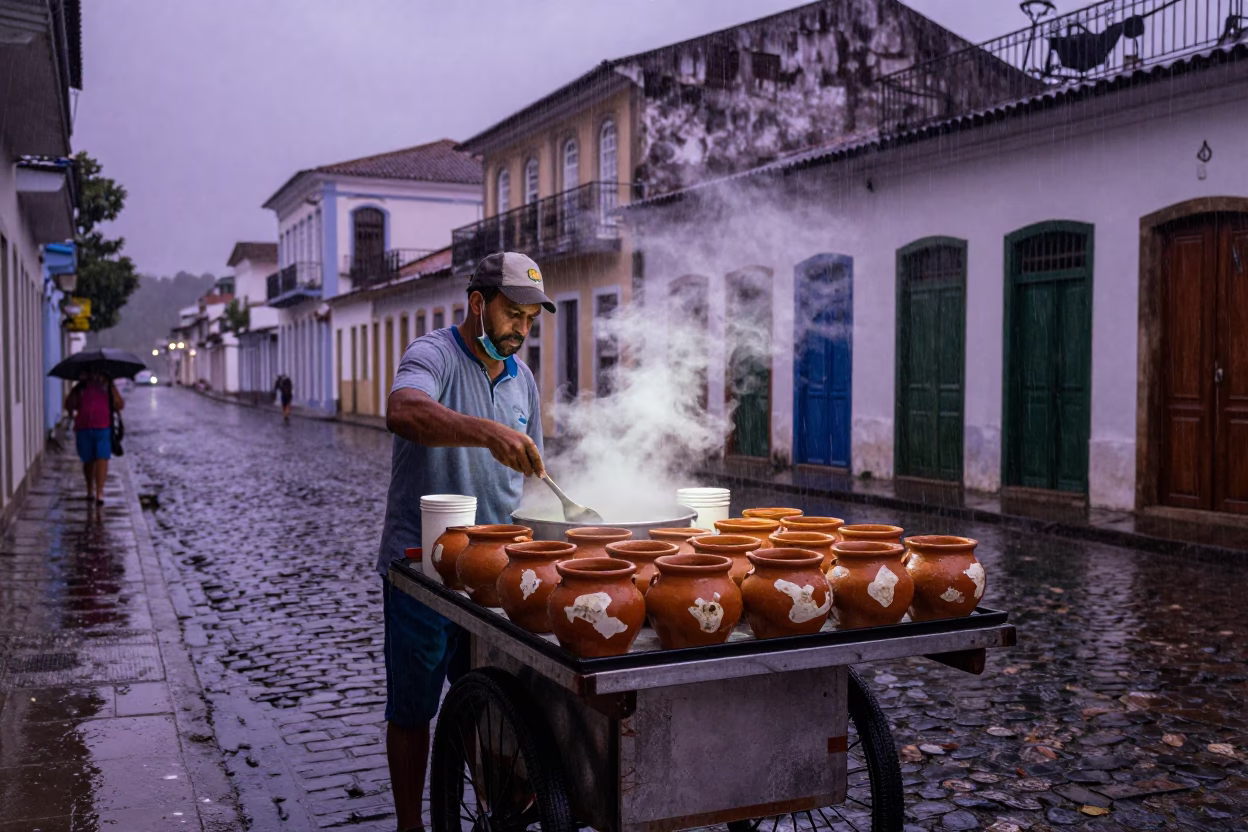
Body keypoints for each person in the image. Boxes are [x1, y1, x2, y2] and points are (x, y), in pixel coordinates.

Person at [378, 251, 552, 832]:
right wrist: (485, 433)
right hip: (424, 568)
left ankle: (490, 809)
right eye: (512, 315)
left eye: (530, 320)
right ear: (478, 304)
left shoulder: (522, 380)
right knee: (414, 708)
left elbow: (525, 476)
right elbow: (403, 411)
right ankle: (411, 826)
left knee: (487, 701)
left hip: (492, 575)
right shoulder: (433, 355)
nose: (521, 331)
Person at [64, 367, 124, 505]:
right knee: (88, 460)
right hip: (83, 428)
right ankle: (90, 488)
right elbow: (69, 405)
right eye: (92, 373)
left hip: (103, 427)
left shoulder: (108, 387)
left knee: (102, 458)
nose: (95, 376)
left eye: (98, 373)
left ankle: (100, 492)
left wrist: (110, 386)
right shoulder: (81, 388)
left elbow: (119, 405)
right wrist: (78, 389)